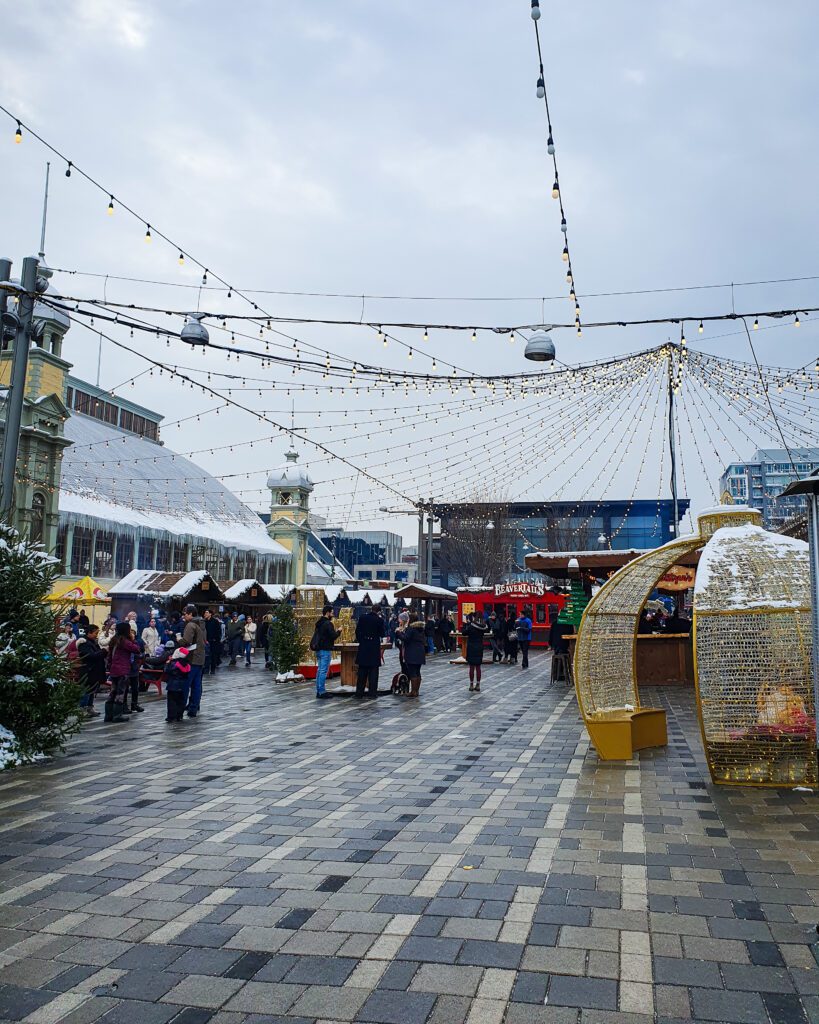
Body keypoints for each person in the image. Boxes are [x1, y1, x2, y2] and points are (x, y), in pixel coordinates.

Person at [105, 622, 140, 723]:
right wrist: (132, 639)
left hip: (114, 669)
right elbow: (136, 649)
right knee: (120, 692)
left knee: (113, 692)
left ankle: (108, 715)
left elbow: (110, 654)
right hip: (122, 669)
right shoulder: (124, 641)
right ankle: (117, 715)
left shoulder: (114, 640)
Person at [355, 607, 386, 699]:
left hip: (364, 645)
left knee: (362, 671)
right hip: (373, 646)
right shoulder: (379, 620)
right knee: (373, 671)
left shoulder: (363, 617)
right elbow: (382, 633)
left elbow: (357, 631)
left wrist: (362, 640)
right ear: (378, 611)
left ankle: (359, 693)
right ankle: (372, 693)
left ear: (371, 609)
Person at [181, 604, 206, 717]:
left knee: (186, 684)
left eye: (185, 614)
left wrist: (178, 640)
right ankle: (194, 708)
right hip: (200, 657)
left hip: (192, 658)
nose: (184, 616)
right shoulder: (201, 623)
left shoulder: (191, 625)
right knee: (197, 685)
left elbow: (186, 641)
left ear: (191, 614)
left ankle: (180, 708)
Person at [76, 624, 106, 717]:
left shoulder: (92, 642)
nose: (96, 635)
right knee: (86, 690)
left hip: (94, 670)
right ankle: (82, 709)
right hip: (88, 670)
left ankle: (89, 707)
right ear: (89, 632)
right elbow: (90, 656)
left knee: (92, 690)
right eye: (95, 633)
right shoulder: (84, 643)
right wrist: (104, 651)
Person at [311, 605, 340, 699]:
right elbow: (333, 636)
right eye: (332, 612)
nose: (333, 614)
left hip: (319, 649)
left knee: (320, 670)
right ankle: (322, 692)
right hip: (325, 649)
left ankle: (319, 691)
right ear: (327, 613)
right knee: (323, 671)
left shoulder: (319, 623)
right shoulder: (328, 623)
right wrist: (339, 631)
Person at [396, 612, 426, 697]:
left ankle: (413, 691)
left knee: (412, 672)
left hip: (412, 652)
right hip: (420, 652)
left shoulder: (411, 628)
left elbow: (405, 638)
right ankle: (416, 691)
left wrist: (398, 632)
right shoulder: (420, 628)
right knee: (417, 672)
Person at [462, 612, 489, 692]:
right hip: (479, 648)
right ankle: (478, 684)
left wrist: (466, 624)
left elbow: (464, 633)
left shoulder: (471, 626)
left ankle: (471, 684)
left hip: (471, 648)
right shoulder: (483, 627)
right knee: (478, 667)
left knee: (471, 667)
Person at [165, 647, 191, 723]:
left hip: (173, 685)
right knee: (180, 701)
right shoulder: (186, 664)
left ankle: (171, 717)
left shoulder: (173, 663)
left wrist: (167, 664)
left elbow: (167, 671)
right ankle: (179, 716)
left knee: (172, 701)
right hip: (182, 686)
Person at [203, 609, 222, 675]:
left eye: (206, 612)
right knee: (206, 656)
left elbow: (218, 631)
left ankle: (212, 669)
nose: (205, 614)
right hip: (206, 641)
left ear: (210, 614)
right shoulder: (204, 621)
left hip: (214, 641)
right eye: (205, 612)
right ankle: (206, 669)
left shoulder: (215, 621)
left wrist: (216, 639)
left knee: (213, 656)